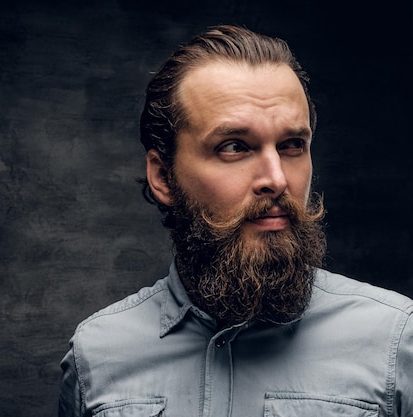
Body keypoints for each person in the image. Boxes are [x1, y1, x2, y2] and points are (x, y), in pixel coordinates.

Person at [58, 25, 412, 417]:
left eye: (292, 145)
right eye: (234, 147)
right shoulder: (98, 354)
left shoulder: (394, 342)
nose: (276, 179)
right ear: (162, 177)